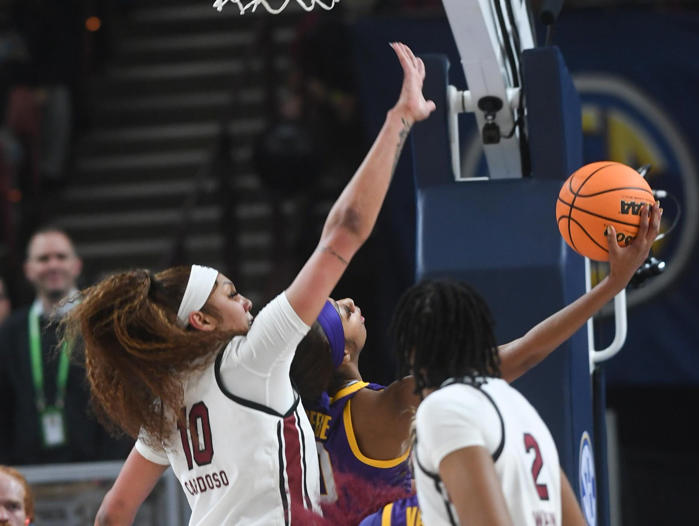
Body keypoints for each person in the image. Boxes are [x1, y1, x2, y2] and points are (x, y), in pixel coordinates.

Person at [62, 42, 435, 526]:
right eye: (232, 295)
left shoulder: (166, 401)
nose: (248, 301)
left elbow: (113, 512)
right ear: (201, 320)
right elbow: (343, 231)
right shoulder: (252, 358)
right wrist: (399, 120)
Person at [290, 204, 662, 525]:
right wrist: (612, 285)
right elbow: (527, 350)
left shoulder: (296, 416)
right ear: (339, 353)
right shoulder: (395, 403)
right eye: (341, 311)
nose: (351, 302)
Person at [0, 227, 129, 465]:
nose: (52, 265)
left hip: (96, 475)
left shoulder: (102, 326)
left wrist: (109, 469)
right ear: (28, 270)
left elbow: (121, 402)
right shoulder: (9, 333)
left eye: (61, 257)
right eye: (43, 259)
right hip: (27, 478)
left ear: (76, 265)